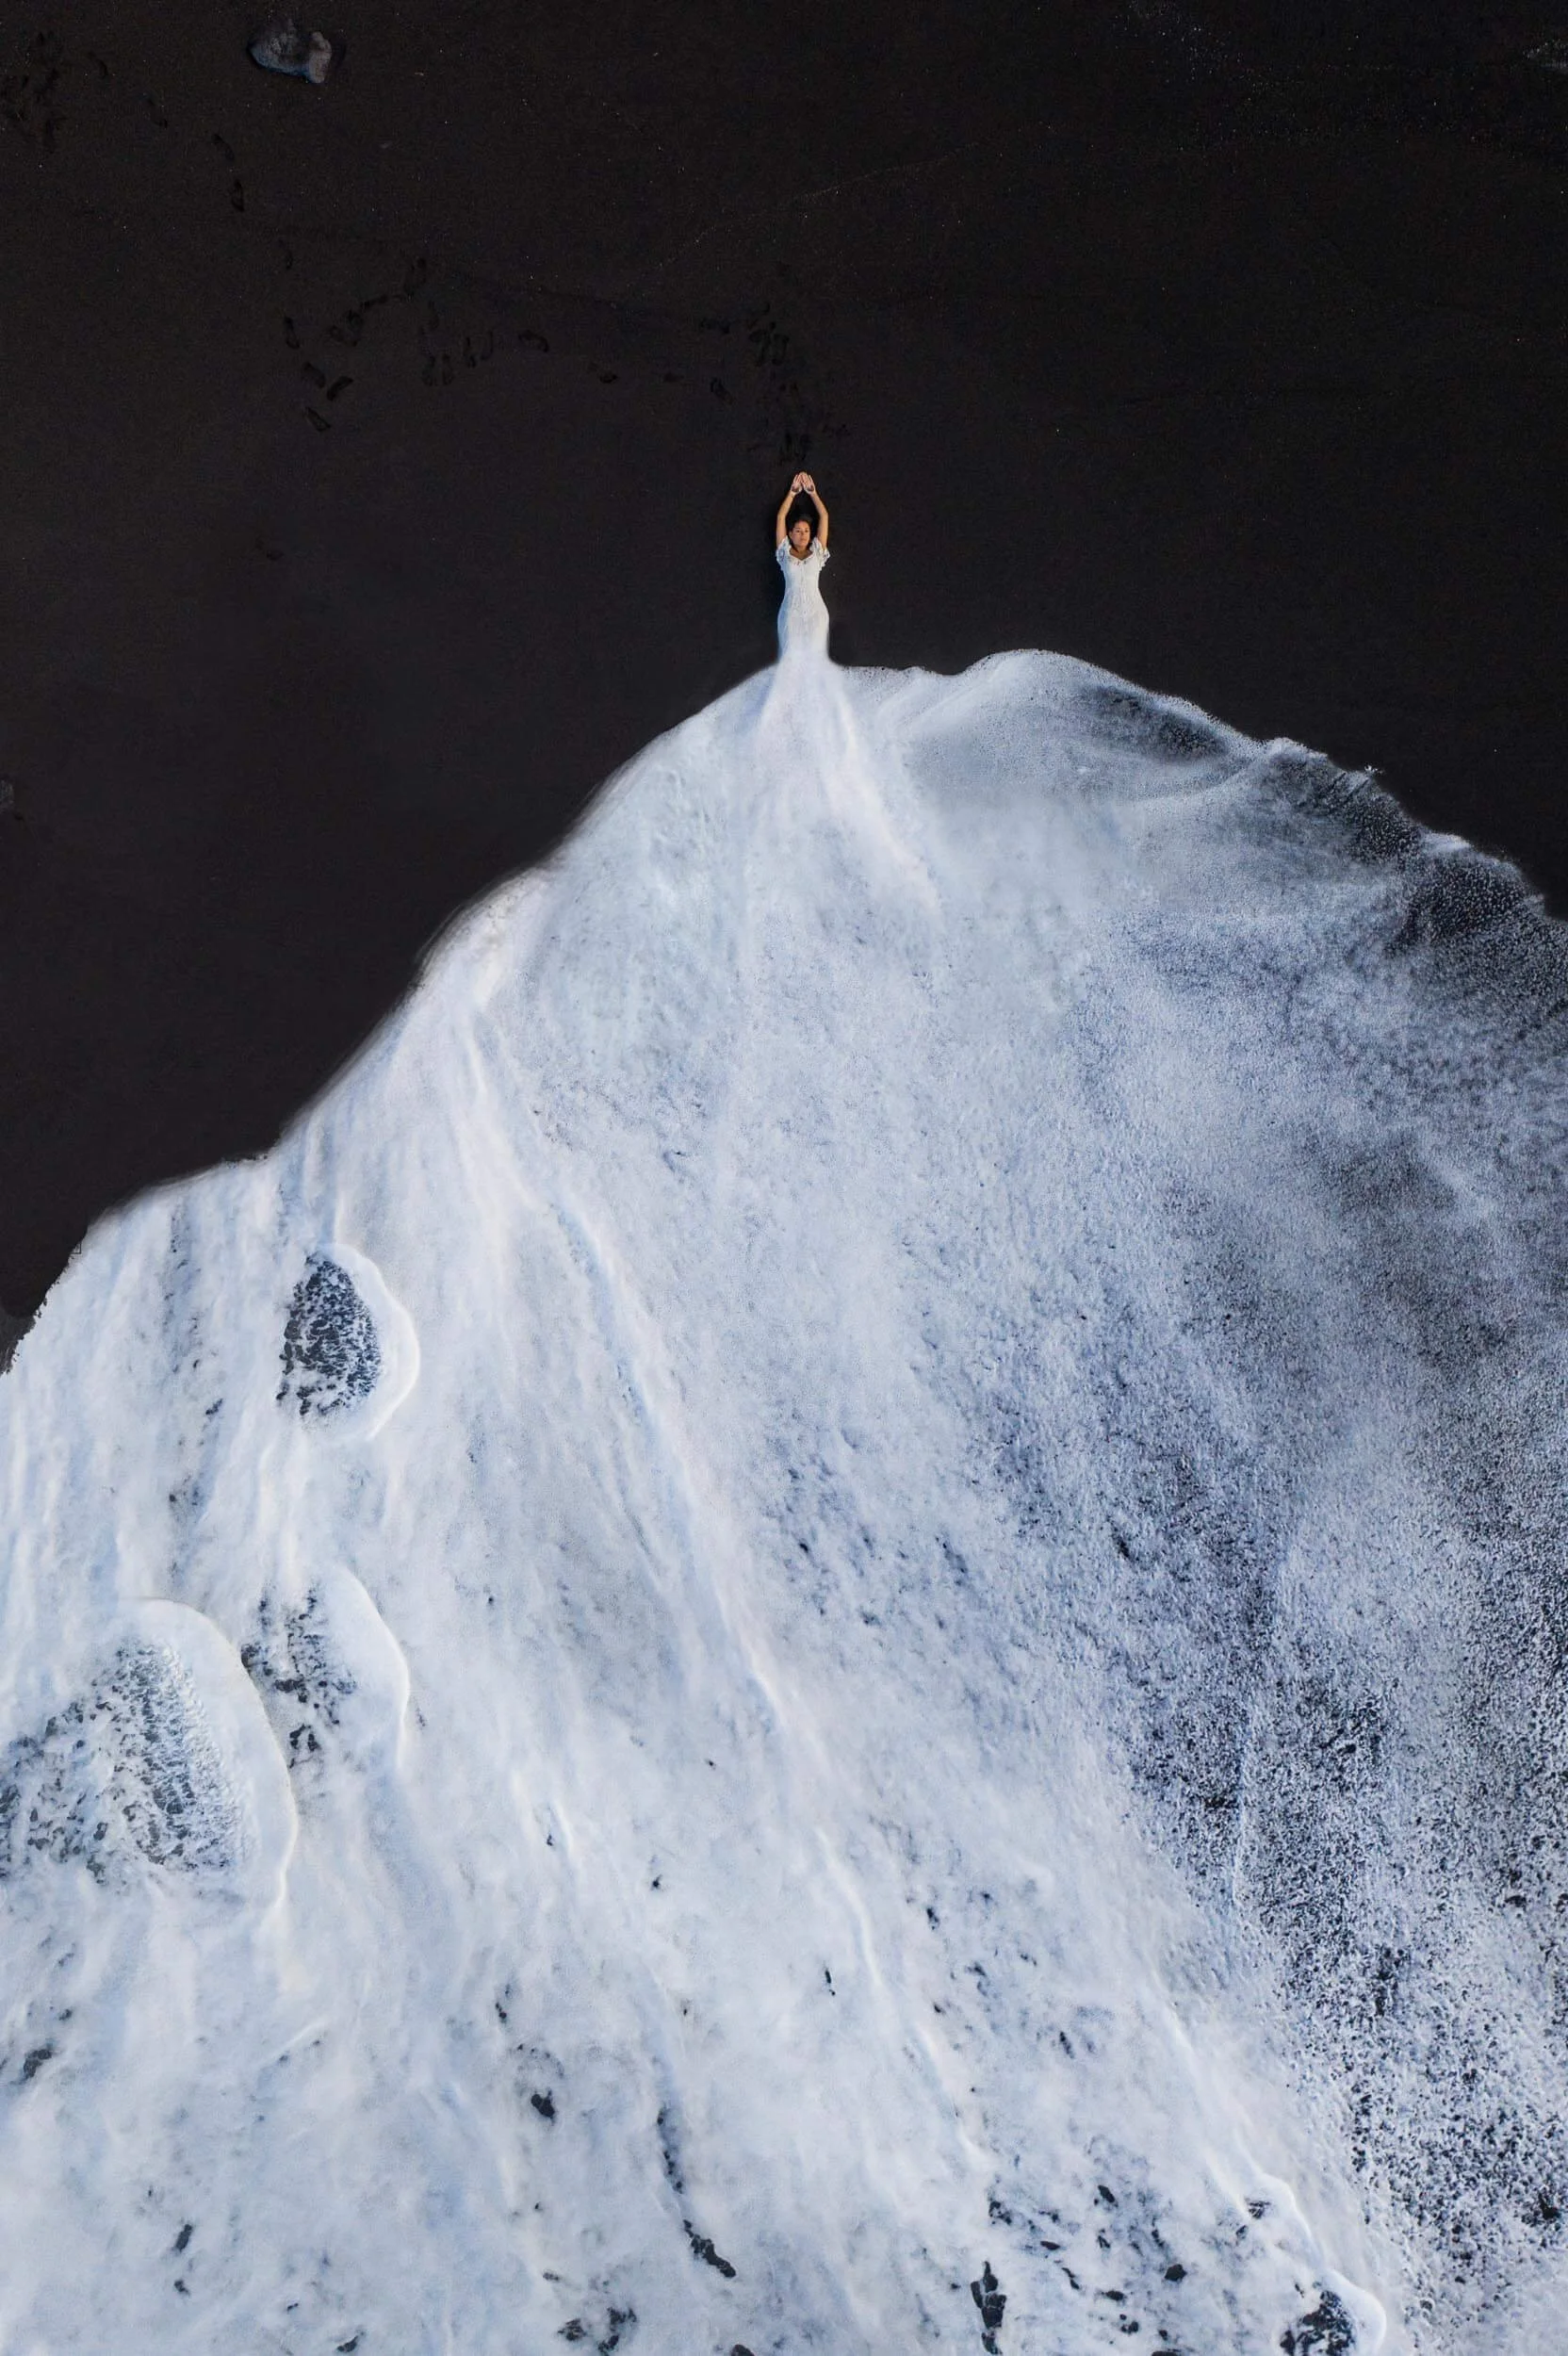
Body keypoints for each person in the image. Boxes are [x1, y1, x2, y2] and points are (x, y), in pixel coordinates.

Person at [774, 473, 831, 660]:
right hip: (791, 614)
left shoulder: (817, 553)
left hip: (816, 613)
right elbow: (781, 516)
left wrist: (813, 493)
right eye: (798, 531)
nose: (803, 534)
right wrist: (792, 493)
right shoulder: (784, 554)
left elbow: (824, 515)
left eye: (806, 531)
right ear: (790, 534)